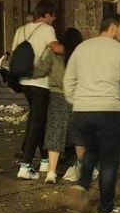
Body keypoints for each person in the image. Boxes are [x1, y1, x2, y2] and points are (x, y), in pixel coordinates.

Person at [64, 14, 120, 213]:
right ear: (113, 28)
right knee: (109, 160)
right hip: (109, 110)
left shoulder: (82, 48)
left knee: (92, 150)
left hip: (82, 111)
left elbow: (68, 80)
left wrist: (77, 100)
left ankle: (82, 183)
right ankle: (106, 207)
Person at [11, 0, 62, 180]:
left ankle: (45, 160)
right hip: (40, 82)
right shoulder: (47, 29)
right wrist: (72, 48)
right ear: (47, 14)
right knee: (38, 123)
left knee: (36, 119)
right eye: (52, 17)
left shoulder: (21, 30)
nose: (53, 20)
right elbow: (55, 48)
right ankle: (26, 165)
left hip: (24, 82)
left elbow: (13, 54)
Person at [36, 28, 84, 183]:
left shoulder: (53, 53)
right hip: (77, 97)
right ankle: (83, 168)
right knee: (79, 134)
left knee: (55, 131)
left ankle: (51, 172)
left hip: (57, 95)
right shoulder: (80, 54)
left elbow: (40, 71)